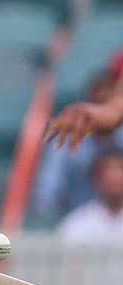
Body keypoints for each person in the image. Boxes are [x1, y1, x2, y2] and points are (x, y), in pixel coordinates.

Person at [33, 71, 123, 220]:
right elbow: (47, 191)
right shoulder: (65, 141)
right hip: (77, 223)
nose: (101, 107)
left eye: (107, 102)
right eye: (98, 102)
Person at [57, 150, 123, 242]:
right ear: (95, 178)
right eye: (108, 171)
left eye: (119, 170)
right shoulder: (75, 224)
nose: (114, 177)